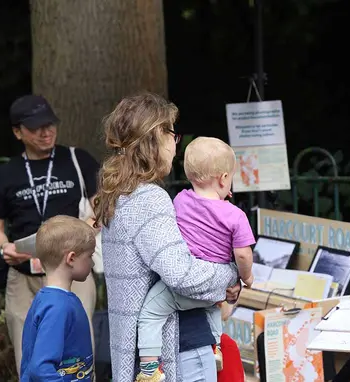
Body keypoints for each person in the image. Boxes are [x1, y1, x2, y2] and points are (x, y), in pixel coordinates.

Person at [94, 92, 241, 382]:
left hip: (147, 349)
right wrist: (229, 275)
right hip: (179, 347)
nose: (176, 143)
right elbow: (181, 274)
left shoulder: (117, 193)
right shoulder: (149, 197)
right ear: (155, 137)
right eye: (172, 133)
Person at [136, 136, 255, 380]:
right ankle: (216, 348)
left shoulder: (179, 200)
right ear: (224, 178)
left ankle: (148, 369)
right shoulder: (235, 215)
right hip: (213, 289)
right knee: (212, 309)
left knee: (150, 312)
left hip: (183, 288)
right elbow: (242, 254)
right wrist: (246, 277)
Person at [0, 94, 99, 373]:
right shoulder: (5, 174)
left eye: (50, 124)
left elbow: (102, 209)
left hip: (71, 271)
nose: (46, 132)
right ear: (17, 132)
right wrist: (5, 247)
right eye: (36, 127)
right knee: (28, 356)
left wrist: (80, 231)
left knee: (78, 354)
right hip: (24, 275)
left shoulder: (78, 160)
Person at [20, 215, 96, 381]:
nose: (92, 263)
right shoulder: (58, 307)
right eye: (90, 256)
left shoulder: (48, 298)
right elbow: (41, 368)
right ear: (71, 258)